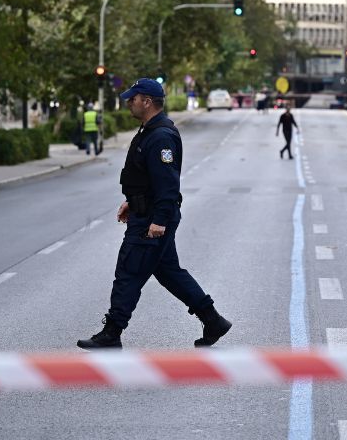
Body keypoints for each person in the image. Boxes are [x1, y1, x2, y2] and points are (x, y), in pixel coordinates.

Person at [78, 78, 232, 350]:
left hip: (152, 219)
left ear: (146, 101)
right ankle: (212, 320)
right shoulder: (149, 130)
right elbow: (146, 177)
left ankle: (112, 331)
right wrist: (131, 201)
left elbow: (168, 184)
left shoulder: (160, 136)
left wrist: (158, 220)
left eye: (132, 98)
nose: (128, 102)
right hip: (146, 212)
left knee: (129, 271)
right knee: (169, 272)